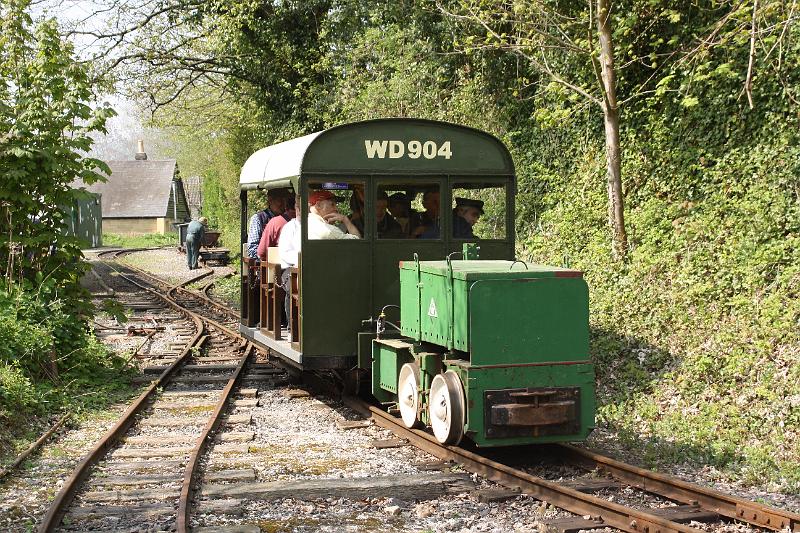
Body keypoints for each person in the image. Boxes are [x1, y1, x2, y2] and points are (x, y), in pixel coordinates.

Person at [246, 188, 289, 259]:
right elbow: (252, 249)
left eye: (285, 201)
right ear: (270, 200)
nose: (283, 205)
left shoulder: (290, 219)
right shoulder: (258, 218)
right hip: (266, 263)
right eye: (280, 200)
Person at [257, 194, 297, 261]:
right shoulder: (311, 221)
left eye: (282, 201)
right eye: (279, 200)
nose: (280, 204)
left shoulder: (275, 222)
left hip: (282, 267)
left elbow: (261, 253)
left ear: (285, 206)